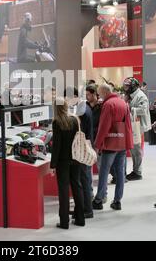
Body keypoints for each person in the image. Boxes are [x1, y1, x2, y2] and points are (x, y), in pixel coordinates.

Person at [92, 84, 133, 211]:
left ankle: (99, 199)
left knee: (104, 171)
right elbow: (128, 125)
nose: (99, 97)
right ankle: (117, 201)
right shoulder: (122, 103)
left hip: (110, 143)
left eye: (99, 94)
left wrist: (97, 145)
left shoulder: (108, 104)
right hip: (121, 143)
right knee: (120, 172)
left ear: (104, 92)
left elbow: (104, 126)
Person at [51, 97, 85, 229]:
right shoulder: (74, 120)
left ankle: (64, 222)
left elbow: (56, 146)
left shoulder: (57, 122)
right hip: (75, 159)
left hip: (62, 162)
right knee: (77, 187)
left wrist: (53, 165)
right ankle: (80, 219)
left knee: (64, 190)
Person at [64, 87, 94, 219]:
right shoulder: (84, 107)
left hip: (82, 148)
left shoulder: (81, 111)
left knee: (83, 180)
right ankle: (82, 208)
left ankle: (86, 210)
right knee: (84, 179)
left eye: (67, 98)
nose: (66, 101)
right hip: (85, 146)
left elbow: (79, 132)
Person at [123, 77, 151, 181]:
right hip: (133, 124)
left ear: (133, 86)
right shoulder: (129, 95)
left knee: (136, 149)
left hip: (138, 125)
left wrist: (130, 108)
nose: (126, 88)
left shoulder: (141, 96)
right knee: (133, 149)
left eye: (127, 86)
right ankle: (135, 170)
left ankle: (138, 172)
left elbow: (143, 110)